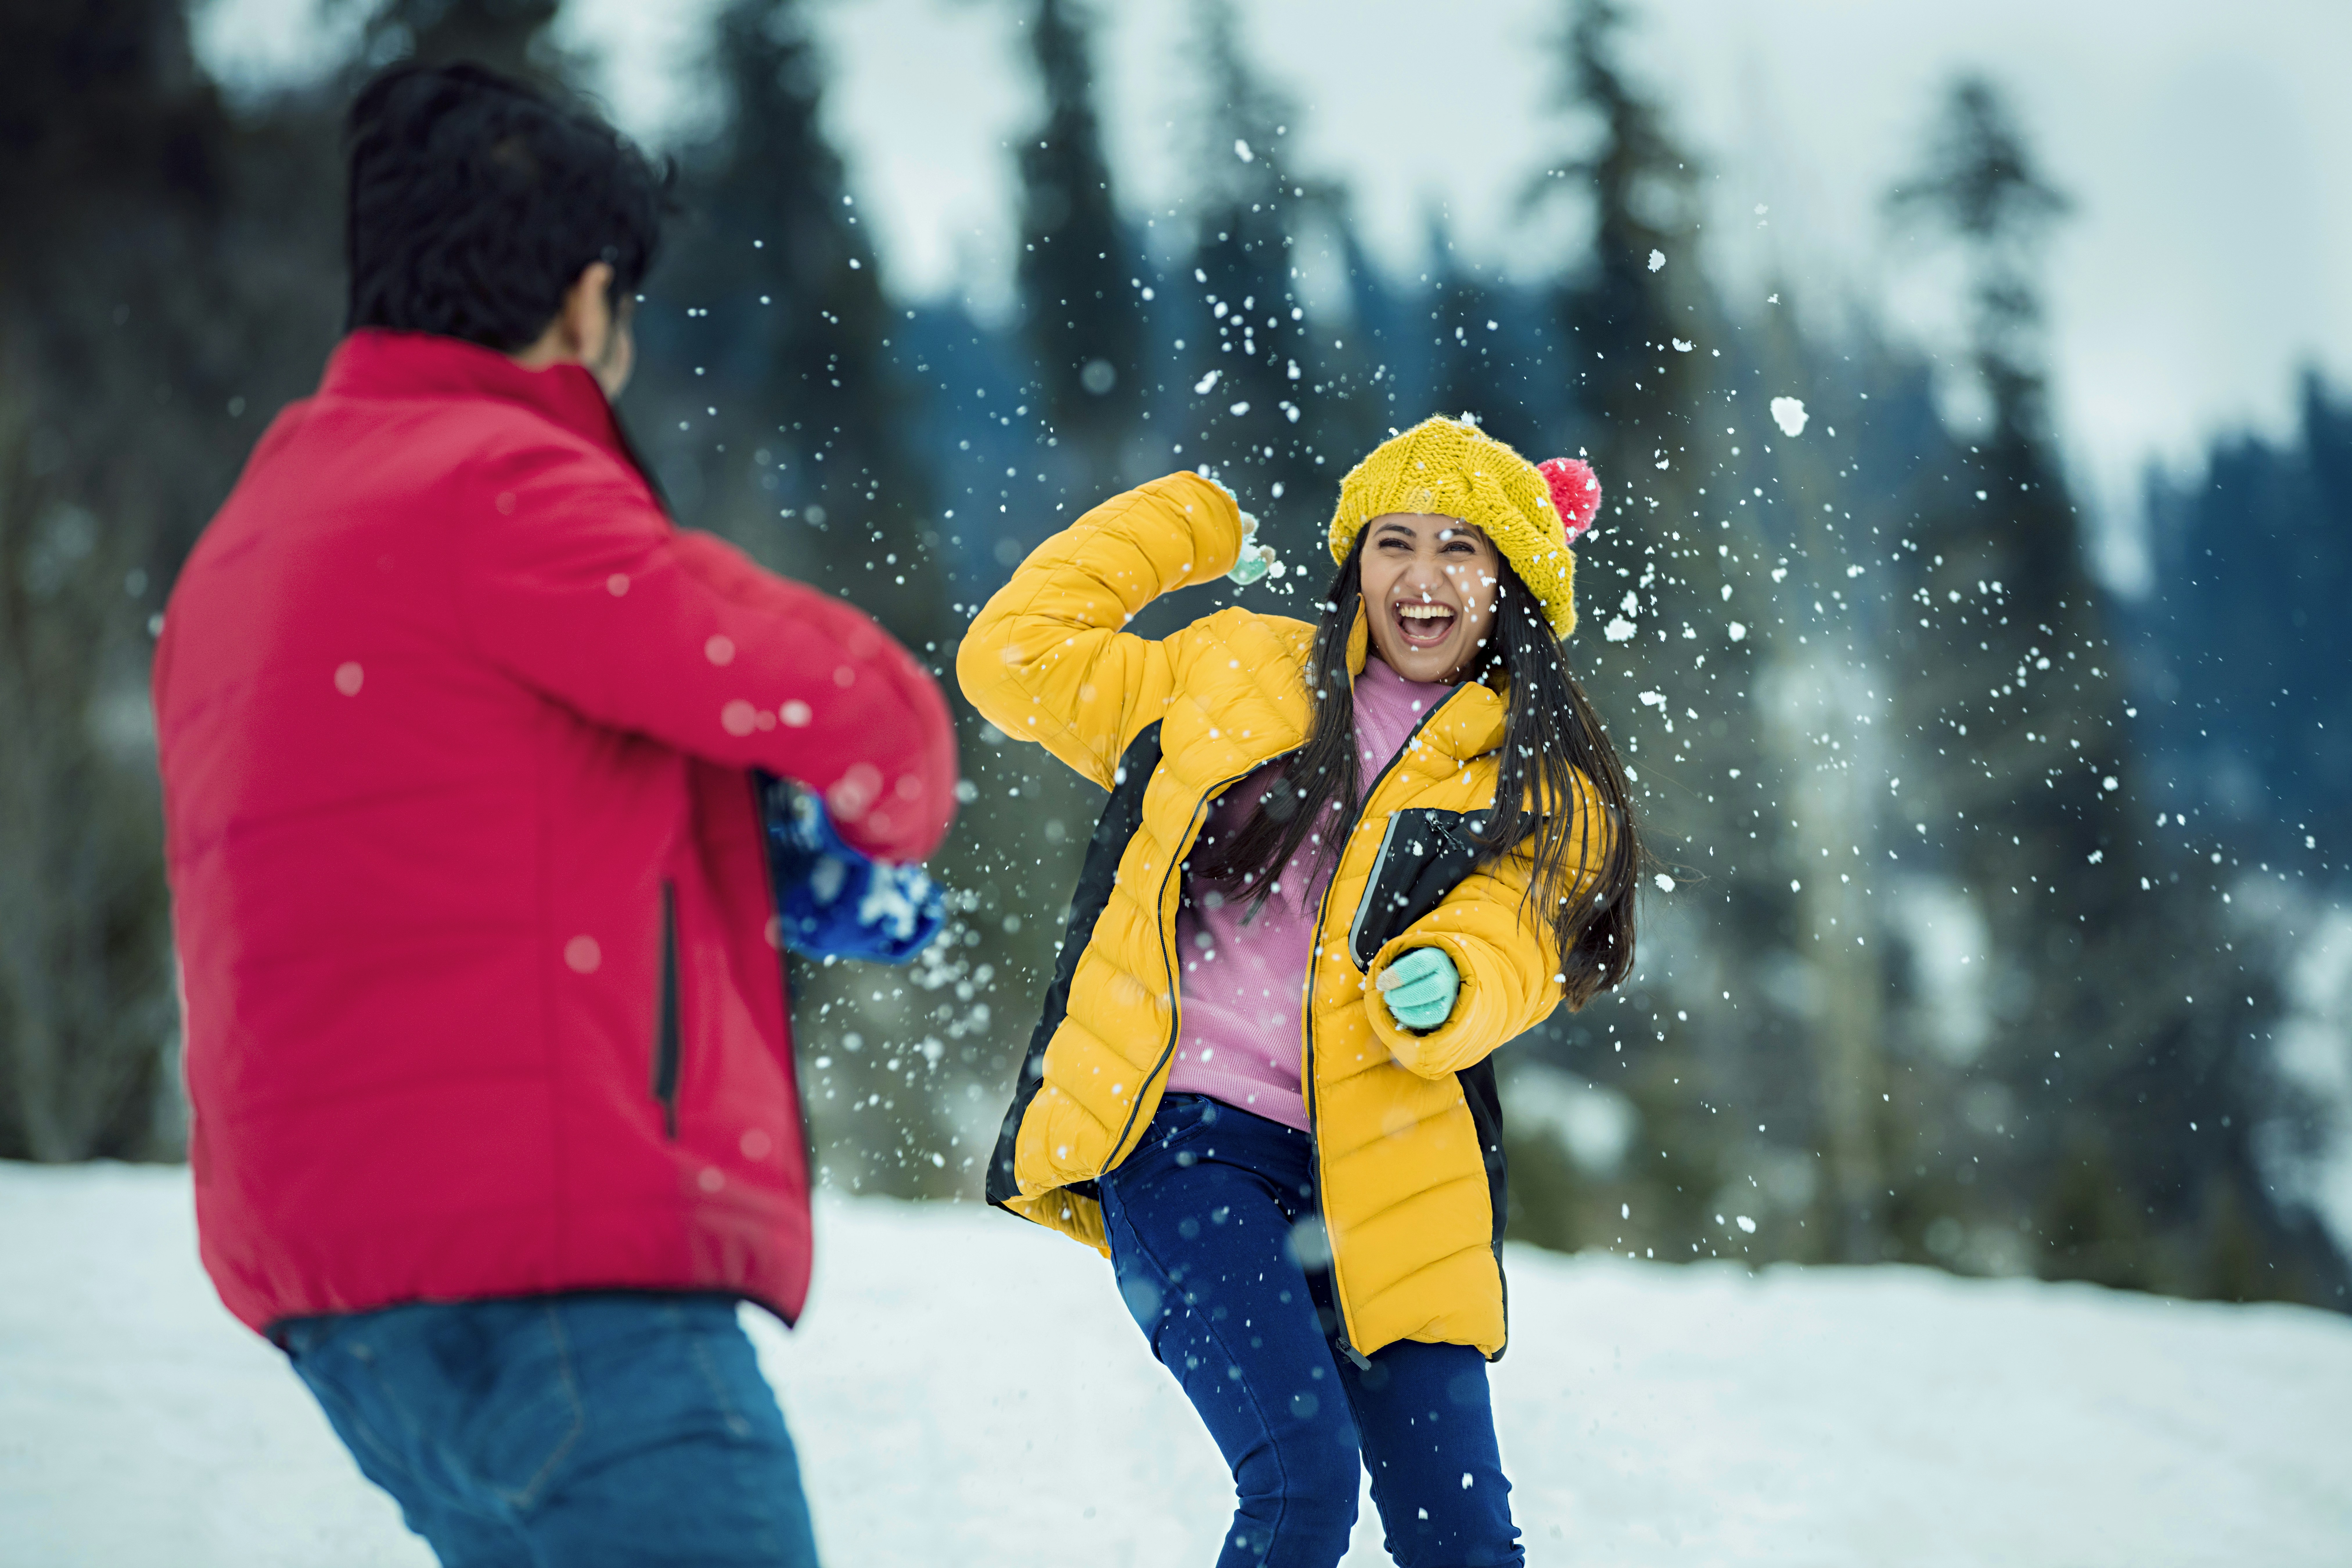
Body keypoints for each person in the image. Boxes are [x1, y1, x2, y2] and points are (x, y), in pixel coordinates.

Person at [152, 62, 957, 1567]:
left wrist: (716, 830)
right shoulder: (505, 490)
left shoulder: (246, 539)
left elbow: (445, 825)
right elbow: (879, 726)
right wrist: (829, 824)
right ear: (588, 305)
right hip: (557, 1285)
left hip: (347, 1306)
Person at [958, 416, 1643, 1567]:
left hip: (1394, 1173)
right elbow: (1012, 658)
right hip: (1188, 1140)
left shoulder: (1542, 785)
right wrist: (1190, 521)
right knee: (1301, 1486)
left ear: (1516, 580)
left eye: (1462, 550)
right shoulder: (1232, 668)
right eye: (1394, 543)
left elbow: (1520, 938)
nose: (1421, 579)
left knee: (1465, 1541)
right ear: (1353, 562)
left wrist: (1458, 978)